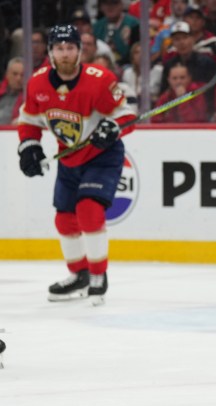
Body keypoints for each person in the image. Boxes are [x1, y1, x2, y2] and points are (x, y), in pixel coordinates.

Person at [17, 24, 136, 305]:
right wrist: (29, 146)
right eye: (60, 48)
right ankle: (79, 274)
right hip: (69, 157)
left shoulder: (99, 79)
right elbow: (29, 120)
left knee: (89, 209)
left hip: (102, 156)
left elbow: (127, 115)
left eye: (71, 47)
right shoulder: (37, 83)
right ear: (50, 52)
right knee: (64, 219)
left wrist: (113, 127)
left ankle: (98, 275)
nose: (65, 53)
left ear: (80, 51)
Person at [0, 57, 24, 125]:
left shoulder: (29, 97)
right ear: (7, 74)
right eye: (15, 74)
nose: (18, 78)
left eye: (22, 75)